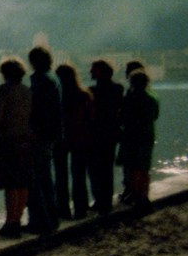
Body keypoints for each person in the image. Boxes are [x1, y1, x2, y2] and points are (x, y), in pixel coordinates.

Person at [0, 58, 33, 238]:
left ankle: (10, 222)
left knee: (10, 184)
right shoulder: (27, 91)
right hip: (25, 141)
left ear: (5, 74)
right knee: (22, 183)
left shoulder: (2, 90)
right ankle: (18, 220)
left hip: (7, 142)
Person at [25, 46, 62, 235]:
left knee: (35, 180)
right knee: (46, 179)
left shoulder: (40, 80)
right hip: (51, 135)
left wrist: (34, 131)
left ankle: (39, 221)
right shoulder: (54, 78)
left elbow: (38, 109)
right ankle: (52, 219)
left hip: (39, 136)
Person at [117, 69, 159, 213]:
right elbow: (155, 116)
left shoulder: (128, 99)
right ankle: (144, 197)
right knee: (144, 168)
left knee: (134, 169)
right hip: (147, 135)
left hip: (131, 136)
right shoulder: (151, 99)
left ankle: (137, 198)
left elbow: (121, 118)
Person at [55, 63, 93, 220]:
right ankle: (80, 209)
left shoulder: (57, 96)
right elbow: (90, 119)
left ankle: (63, 210)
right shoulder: (84, 95)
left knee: (61, 177)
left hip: (61, 139)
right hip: (81, 138)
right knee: (79, 176)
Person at [87, 59, 124, 214]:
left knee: (95, 169)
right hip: (111, 133)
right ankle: (106, 201)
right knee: (106, 169)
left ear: (100, 72)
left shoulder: (92, 91)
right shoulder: (118, 88)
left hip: (95, 133)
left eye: (93, 70)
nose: (90, 72)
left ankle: (99, 200)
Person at [118, 59, 146, 205]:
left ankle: (132, 192)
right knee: (139, 166)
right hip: (141, 134)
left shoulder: (133, 94)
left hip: (131, 135)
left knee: (131, 166)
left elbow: (125, 114)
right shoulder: (148, 95)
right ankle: (137, 192)